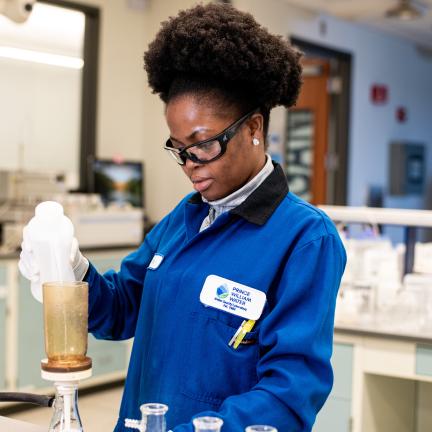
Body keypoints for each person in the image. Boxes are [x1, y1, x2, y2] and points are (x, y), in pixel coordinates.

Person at [19, 4, 346, 431]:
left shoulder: (304, 239)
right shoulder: (184, 220)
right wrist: (71, 270)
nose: (190, 163)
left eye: (203, 144)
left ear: (254, 129)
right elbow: (120, 310)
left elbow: (290, 394)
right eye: (178, 148)